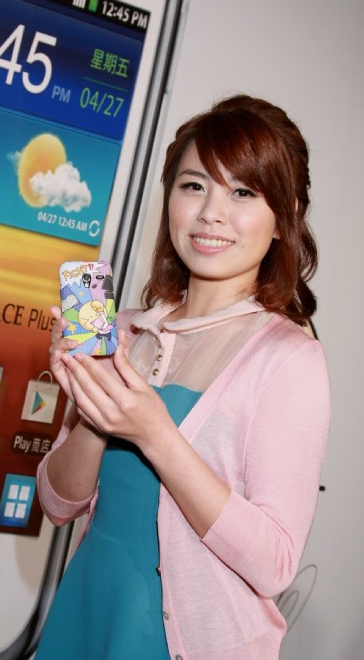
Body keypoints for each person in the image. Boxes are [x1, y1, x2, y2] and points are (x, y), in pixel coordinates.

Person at [34, 94, 331, 660]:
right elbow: (57, 504)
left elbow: (274, 563)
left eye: (243, 192)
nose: (211, 213)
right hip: (85, 620)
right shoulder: (124, 330)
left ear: (284, 216)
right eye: (194, 186)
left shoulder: (289, 358)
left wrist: (155, 434)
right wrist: (96, 411)